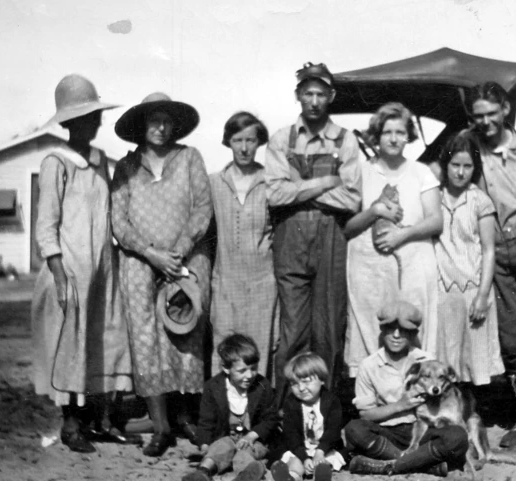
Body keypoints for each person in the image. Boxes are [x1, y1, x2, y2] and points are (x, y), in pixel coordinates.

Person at [32, 74, 137, 453]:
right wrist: (60, 275)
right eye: (85, 117)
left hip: (101, 267)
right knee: (69, 344)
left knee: (102, 340)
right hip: (70, 269)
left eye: (95, 116)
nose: (93, 123)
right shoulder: (55, 162)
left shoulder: (99, 162)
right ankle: (70, 422)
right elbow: (46, 226)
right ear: (69, 122)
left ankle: (98, 417)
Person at [111, 92, 213, 457]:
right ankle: (161, 426)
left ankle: (186, 416)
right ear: (141, 125)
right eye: (153, 120)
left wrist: (179, 252)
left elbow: (202, 208)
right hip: (140, 263)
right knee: (146, 340)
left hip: (186, 260)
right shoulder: (125, 167)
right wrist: (152, 254)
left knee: (185, 333)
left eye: (166, 120)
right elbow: (118, 222)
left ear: (175, 125)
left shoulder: (189, 159)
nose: (160, 127)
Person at [264, 62, 362, 400]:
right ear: (298, 95)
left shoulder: (345, 141)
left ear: (331, 96)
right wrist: (325, 181)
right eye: (308, 93)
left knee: (329, 331)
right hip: (290, 240)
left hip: (331, 241)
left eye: (321, 93)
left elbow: (351, 198)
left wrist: (299, 185)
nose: (314, 100)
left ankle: (326, 412)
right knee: (292, 333)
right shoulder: (281, 139)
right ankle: (283, 411)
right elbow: (274, 194)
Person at [467, 81, 516, 449]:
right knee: (510, 337)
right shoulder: (470, 146)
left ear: (505, 111)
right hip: (494, 250)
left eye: (491, 114)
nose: (485, 122)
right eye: (478, 115)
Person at [344, 102, 442, 375]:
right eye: (387, 132)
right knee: (373, 326)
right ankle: (372, 398)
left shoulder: (422, 172)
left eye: (400, 132)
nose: (394, 138)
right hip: (370, 266)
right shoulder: (360, 173)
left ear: (408, 135)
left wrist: (403, 235)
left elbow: (436, 220)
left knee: (411, 324)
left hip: (413, 261)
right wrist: (374, 210)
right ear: (376, 136)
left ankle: (417, 394)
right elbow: (347, 226)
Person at [345, 301, 466, 476]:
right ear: (382, 331)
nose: (396, 335)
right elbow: (365, 414)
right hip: (388, 432)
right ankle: (421, 464)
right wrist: (399, 405)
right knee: (354, 429)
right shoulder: (368, 365)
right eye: (390, 329)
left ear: (413, 334)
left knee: (457, 437)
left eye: (403, 331)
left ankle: (391, 465)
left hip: (422, 430)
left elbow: (445, 393)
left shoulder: (426, 360)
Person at [209, 112, 278, 379]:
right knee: (223, 350)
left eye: (251, 140)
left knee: (258, 352)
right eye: (238, 140)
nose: (245, 147)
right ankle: (223, 416)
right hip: (225, 282)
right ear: (228, 142)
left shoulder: (270, 182)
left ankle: (257, 418)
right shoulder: (214, 182)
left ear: (259, 142)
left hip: (262, 283)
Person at [434, 131, 505, 386]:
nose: (461, 172)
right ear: (446, 165)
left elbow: (488, 250)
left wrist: (483, 295)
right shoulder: (434, 197)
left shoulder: (480, 200)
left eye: (467, 166)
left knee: (474, 363)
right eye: (455, 165)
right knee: (446, 358)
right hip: (443, 290)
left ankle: (473, 416)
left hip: (473, 290)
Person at [183, 334, 279, 481]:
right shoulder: (213, 387)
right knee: (221, 447)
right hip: (225, 437)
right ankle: (202, 472)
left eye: (253, 369)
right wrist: (204, 445)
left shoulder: (262, 386)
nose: (249, 375)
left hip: (254, 440)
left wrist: (251, 436)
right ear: (226, 368)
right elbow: (206, 421)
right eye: (242, 371)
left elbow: (270, 419)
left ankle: (246, 475)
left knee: (245, 454)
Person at [270, 352, 346, 481]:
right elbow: (291, 435)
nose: (301, 388)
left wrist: (320, 451)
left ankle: (321, 476)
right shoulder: (291, 403)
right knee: (295, 463)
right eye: (294, 383)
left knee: (323, 463)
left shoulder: (331, 401)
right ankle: (292, 477)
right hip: (300, 448)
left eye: (306, 382)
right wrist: (304, 458)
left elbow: (333, 432)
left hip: (325, 448)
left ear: (322, 380)